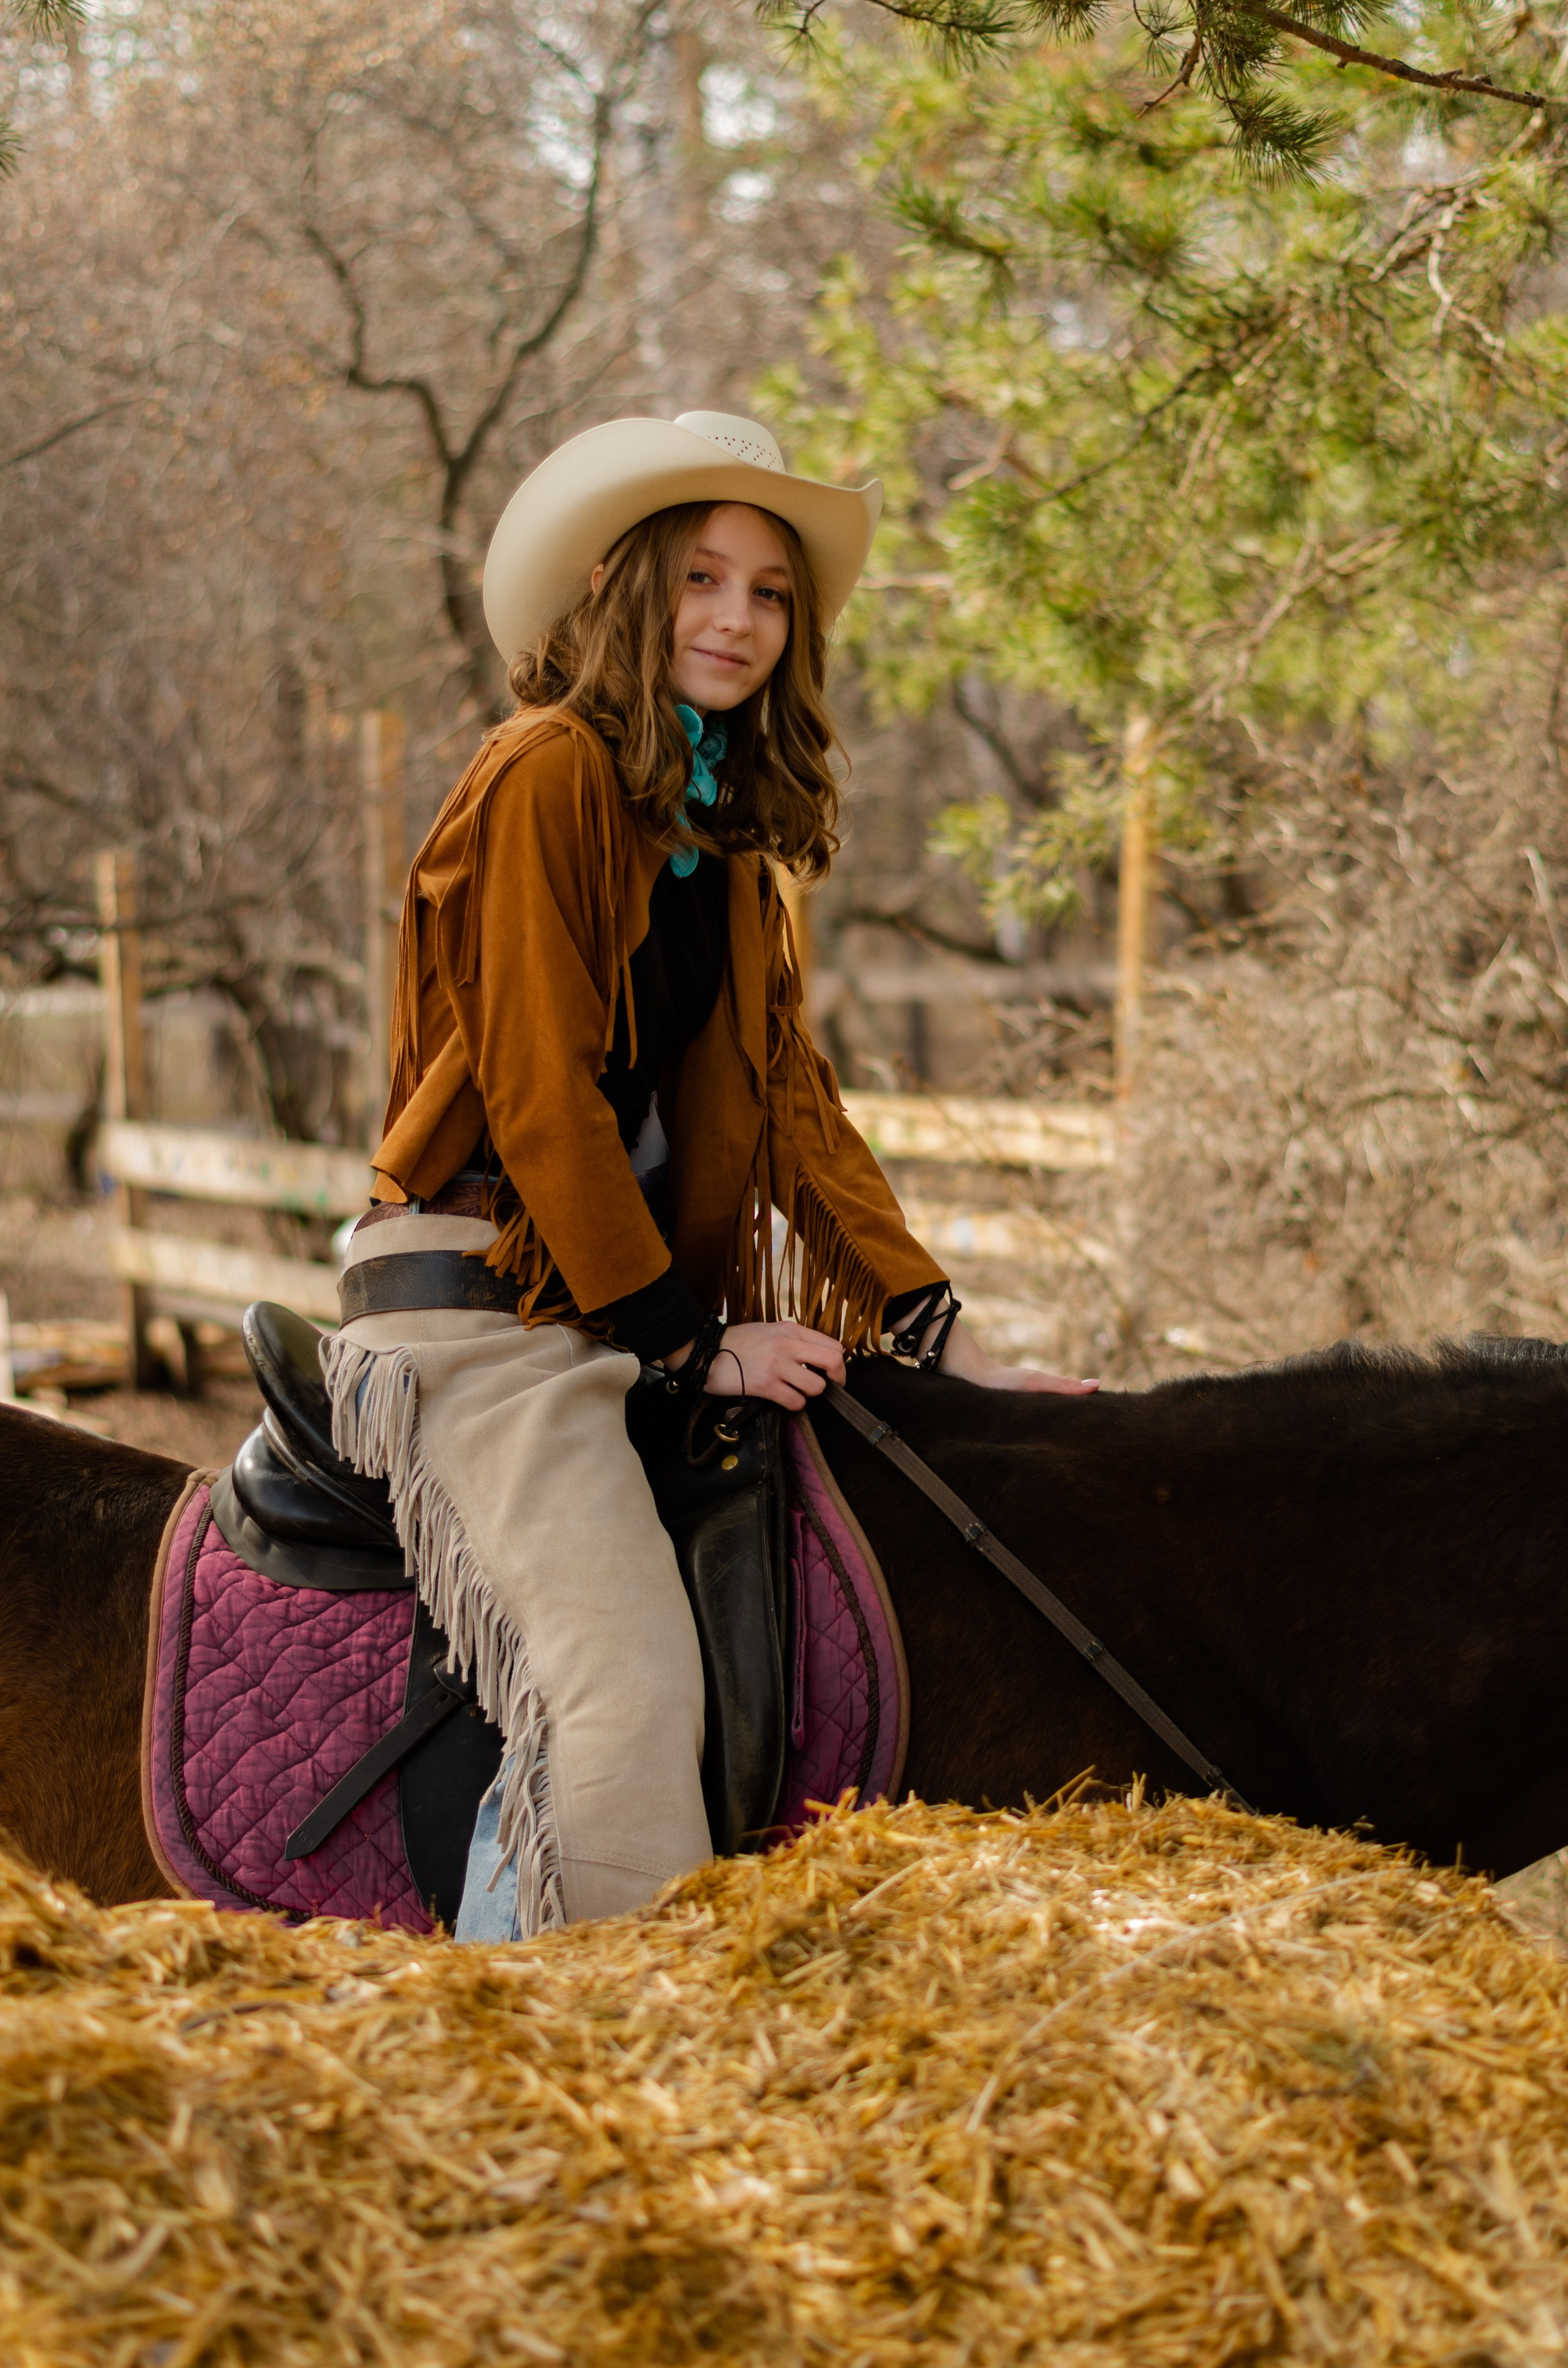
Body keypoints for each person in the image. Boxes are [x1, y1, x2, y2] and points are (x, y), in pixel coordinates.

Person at [324, 410, 1097, 1940]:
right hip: (488, 1304)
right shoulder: (542, 771)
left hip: (622, 1308)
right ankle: (565, 2062)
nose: (735, 620)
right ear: (624, 589)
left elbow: (799, 1119)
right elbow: (540, 1090)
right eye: (700, 580)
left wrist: (945, 1338)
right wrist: (688, 1338)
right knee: (624, 1681)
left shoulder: (732, 849)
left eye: (767, 593)